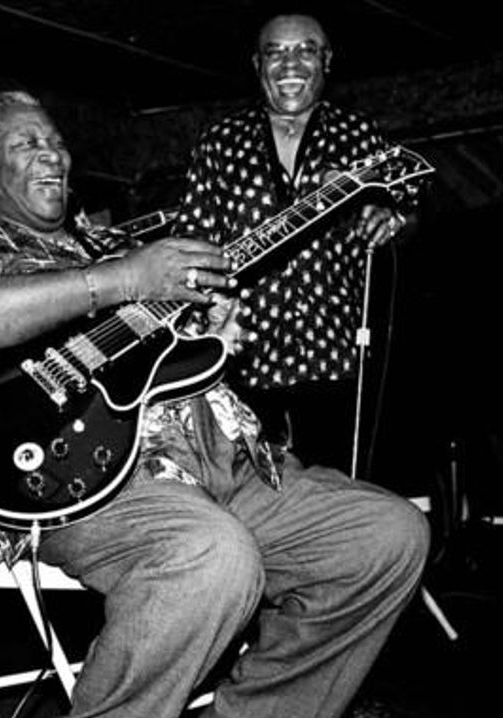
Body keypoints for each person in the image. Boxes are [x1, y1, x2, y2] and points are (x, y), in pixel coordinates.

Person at [0, 90, 428, 718]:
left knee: (388, 534)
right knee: (211, 556)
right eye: (26, 144)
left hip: (222, 462)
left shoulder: (119, 242)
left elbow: (166, 351)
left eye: (56, 140)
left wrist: (213, 330)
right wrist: (119, 281)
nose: (53, 153)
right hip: (95, 484)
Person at [176, 11, 425, 473]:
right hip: (244, 356)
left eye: (305, 50)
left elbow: (406, 215)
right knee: (255, 497)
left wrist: (393, 219)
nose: (290, 63)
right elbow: (191, 241)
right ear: (257, 63)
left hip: (334, 354)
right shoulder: (218, 142)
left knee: (339, 495)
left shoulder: (359, 134)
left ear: (326, 61)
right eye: (276, 52)